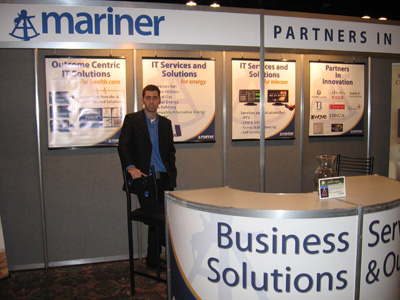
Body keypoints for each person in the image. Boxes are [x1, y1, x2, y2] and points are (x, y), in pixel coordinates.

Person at [118, 84, 177, 268]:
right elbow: (123, 145)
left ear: (159, 100)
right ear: (143, 100)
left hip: (163, 179)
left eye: (155, 97)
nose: (152, 101)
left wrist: (172, 173)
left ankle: (154, 258)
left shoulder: (166, 124)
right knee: (154, 218)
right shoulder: (132, 120)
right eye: (148, 97)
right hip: (144, 179)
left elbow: (170, 152)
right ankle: (157, 256)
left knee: (161, 218)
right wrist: (130, 167)